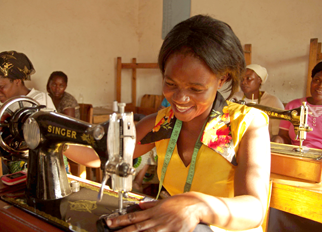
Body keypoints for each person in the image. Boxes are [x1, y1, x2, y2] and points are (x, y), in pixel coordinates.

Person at [102, 15, 271, 232]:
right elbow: (102, 154)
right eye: (170, 83)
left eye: (196, 89)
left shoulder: (247, 124)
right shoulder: (161, 122)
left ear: (222, 79)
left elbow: (254, 209)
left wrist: (196, 206)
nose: (180, 98)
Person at [0, 50, 56, 173]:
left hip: (41, 167)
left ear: (17, 81)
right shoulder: (8, 105)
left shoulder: (39, 101)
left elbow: (20, 134)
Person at [269, 62, 322, 231]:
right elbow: (284, 136)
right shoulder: (293, 106)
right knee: (273, 189)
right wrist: (278, 142)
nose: (319, 86)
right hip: (294, 159)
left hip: (318, 163)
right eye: (317, 80)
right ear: (311, 81)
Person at [231, 64, 284, 137]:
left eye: (248, 79)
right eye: (242, 79)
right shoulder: (235, 97)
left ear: (260, 80)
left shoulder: (273, 101)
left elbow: (276, 132)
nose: (243, 82)